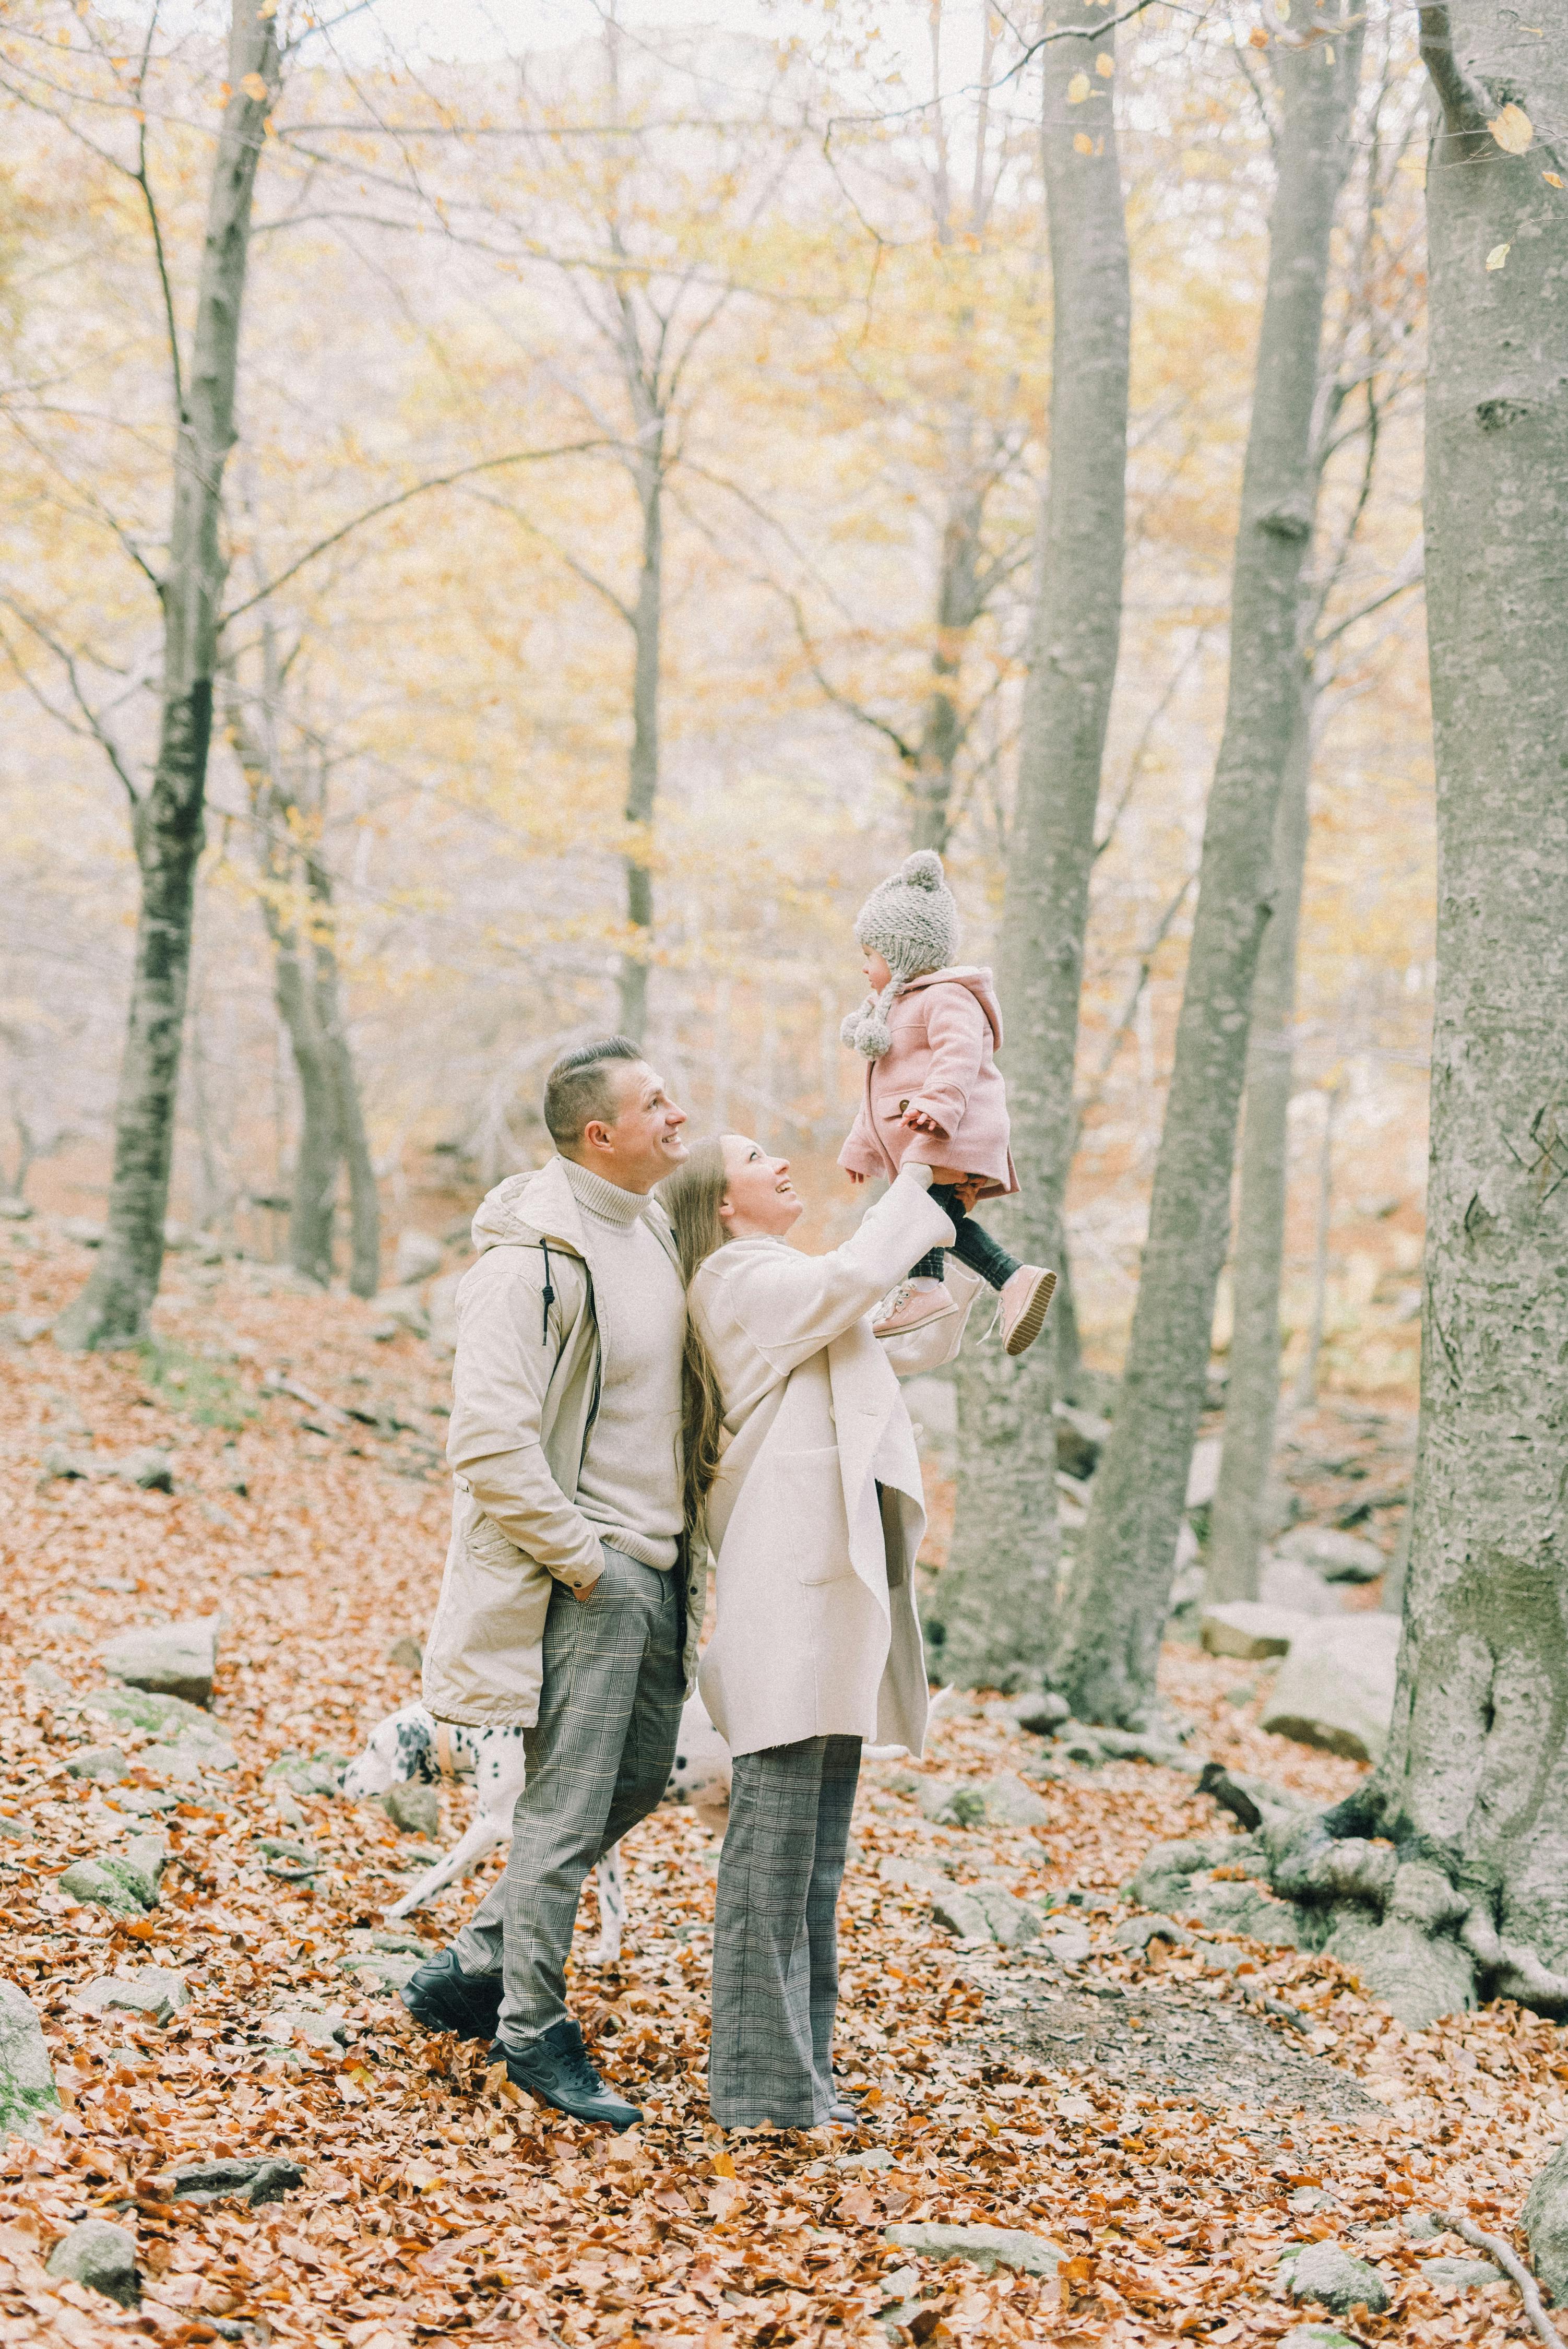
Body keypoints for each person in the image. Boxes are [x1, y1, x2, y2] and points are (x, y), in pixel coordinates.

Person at [401, 1037, 704, 2132]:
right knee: (565, 1810)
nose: (677, 1113)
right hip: (591, 1576)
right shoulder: (525, 1266)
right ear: (600, 1135)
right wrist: (586, 1563)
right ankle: (530, 2028)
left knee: (623, 1793)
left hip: (660, 1572)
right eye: (654, 1102)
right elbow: (486, 1442)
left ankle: (471, 1965)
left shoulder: (653, 1231)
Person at [659, 1135, 957, 2131]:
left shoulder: (787, 1284)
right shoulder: (732, 1277)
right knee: (773, 1848)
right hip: (782, 1595)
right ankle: (756, 2087)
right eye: (753, 1156)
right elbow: (854, 1277)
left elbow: (912, 1336)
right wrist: (913, 1177)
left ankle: (802, 2079)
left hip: (821, 1590)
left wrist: (935, 1215)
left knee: (814, 1858)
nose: (779, 1161)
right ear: (722, 1203)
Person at [838, 847, 1055, 1355]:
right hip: (922, 1137)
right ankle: (1011, 1278)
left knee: (913, 1214)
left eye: (869, 957)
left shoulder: (946, 997)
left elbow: (960, 1057)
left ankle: (925, 1288)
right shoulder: (892, 1012)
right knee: (940, 1220)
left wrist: (939, 1106)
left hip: (948, 1131)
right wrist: (861, 1146)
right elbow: (879, 1093)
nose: (863, 969)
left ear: (900, 956)